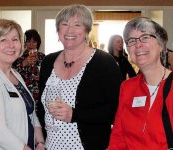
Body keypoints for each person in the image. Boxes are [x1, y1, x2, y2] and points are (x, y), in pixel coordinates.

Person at [36, 4, 121, 150]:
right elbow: (41, 108)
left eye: (77, 24)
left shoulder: (104, 62)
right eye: (64, 24)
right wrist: (41, 141)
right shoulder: (48, 62)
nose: (70, 30)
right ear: (58, 30)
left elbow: (115, 110)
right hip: (51, 146)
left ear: (87, 30)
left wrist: (75, 114)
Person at [108, 17, 173, 150]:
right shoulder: (127, 87)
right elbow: (118, 139)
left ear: (161, 45)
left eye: (145, 37)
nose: (138, 44)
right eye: (131, 40)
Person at [0, 19, 45, 150]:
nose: (11, 45)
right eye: (3, 40)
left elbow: (31, 113)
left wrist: (40, 143)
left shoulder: (15, 74)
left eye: (15, 39)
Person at [13, 29, 45, 102]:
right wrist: (24, 63)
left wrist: (42, 77)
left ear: (38, 43)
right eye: (28, 41)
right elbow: (11, 74)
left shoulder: (43, 57)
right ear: (24, 43)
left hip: (39, 95)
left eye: (34, 42)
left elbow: (49, 76)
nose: (31, 45)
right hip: (23, 94)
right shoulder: (18, 57)